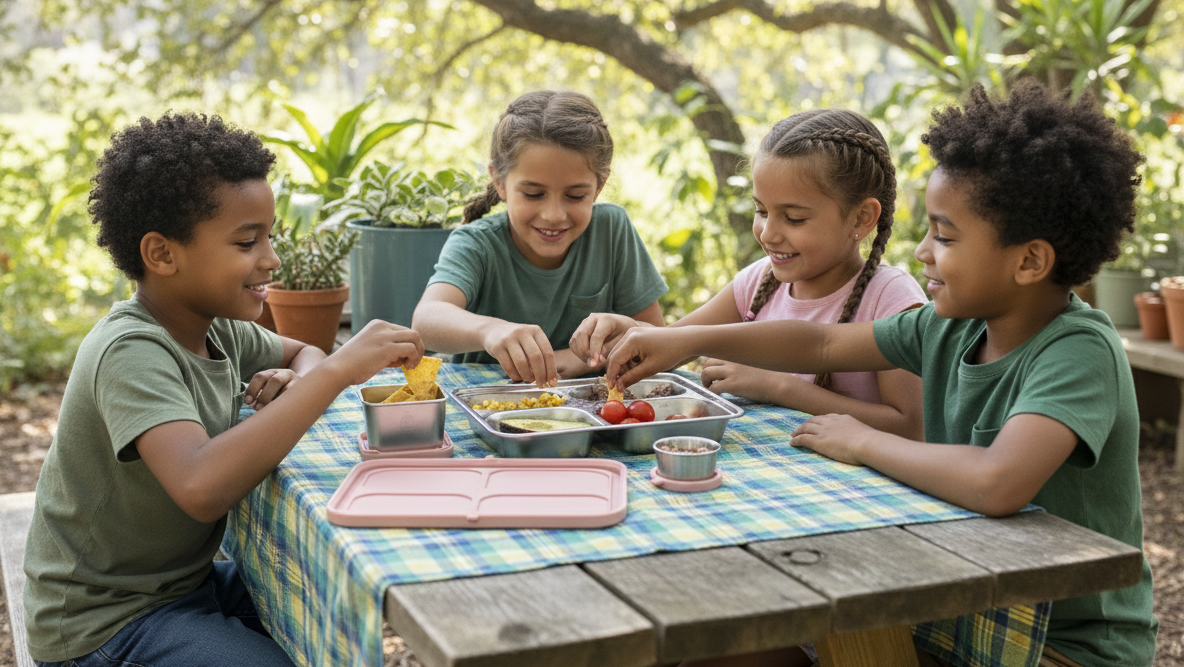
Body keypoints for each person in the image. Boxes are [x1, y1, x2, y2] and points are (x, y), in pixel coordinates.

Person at [603, 82, 1157, 667]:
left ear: (1029, 261)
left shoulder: (1078, 349)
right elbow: (820, 340)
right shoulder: (950, 327)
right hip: (949, 600)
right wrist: (684, 339)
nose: (921, 252)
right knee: (717, 647)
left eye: (944, 236)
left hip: (1061, 644)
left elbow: (998, 481)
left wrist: (864, 441)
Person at [23, 112, 424, 666]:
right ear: (162, 254)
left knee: (334, 602)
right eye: (246, 242)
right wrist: (335, 373)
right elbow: (201, 485)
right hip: (105, 622)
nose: (271, 258)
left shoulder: (216, 327)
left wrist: (303, 375)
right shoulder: (130, 352)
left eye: (270, 236)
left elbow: (303, 352)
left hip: (183, 586)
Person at [571, 109, 926, 438]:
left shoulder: (890, 298)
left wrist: (778, 386)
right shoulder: (758, 282)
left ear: (862, 218)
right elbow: (674, 343)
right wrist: (628, 331)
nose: (768, 233)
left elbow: (911, 426)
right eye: (761, 210)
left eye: (794, 218)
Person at [411, 90, 667, 388]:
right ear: (499, 182)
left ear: (599, 186)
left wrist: (598, 347)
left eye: (575, 196)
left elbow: (657, 336)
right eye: (533, 194)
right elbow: (427, 319)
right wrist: (489, 330)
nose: (554, 215)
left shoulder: (612, 229)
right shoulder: (477, 243)